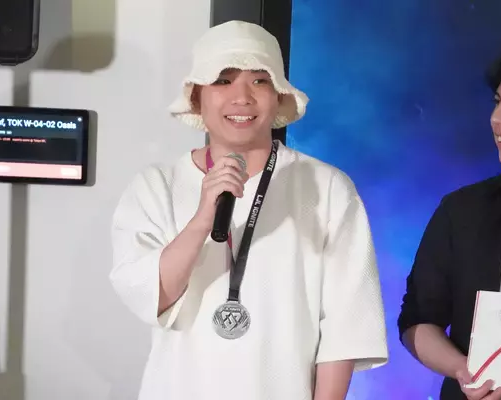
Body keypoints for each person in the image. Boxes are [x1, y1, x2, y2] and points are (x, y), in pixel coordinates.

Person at [109, 20, 388, 400]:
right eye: (223, 81)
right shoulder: (156, 185)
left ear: (278, 96)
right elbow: (150, 295)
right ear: (197, 97)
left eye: (259, 80)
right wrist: (201, 219)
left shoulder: (327, 188)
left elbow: (347, 324)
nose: (241, 97)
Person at [398, 37, 501, 400]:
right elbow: (417, 321)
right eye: (497, 102)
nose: (496, 118)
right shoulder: (462, 210)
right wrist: (461, 368)